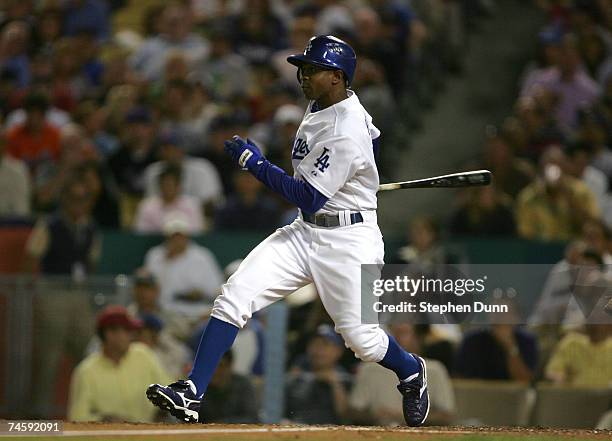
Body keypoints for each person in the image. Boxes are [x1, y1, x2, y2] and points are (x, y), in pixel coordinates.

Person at [147, 35, 429, 427]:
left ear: (336, 76)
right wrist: (359, 177)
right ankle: (192, 391)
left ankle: (411, 370)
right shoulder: (326, 104)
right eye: (303, 68)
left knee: (362, 341)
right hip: (305, 233)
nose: (303, 74)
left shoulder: (346, 129)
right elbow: (375, 138)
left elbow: (307, 196)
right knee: (234, 294)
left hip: (348, 242)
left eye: (312, 69)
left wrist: (255, 163)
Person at [68, 305, 171, 422]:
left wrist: (163, 409)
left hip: (148, 433)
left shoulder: (143, 355)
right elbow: (77, 416)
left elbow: (168, 389)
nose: (131, 336)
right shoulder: (86, 371)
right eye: (127, 331)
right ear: (109, 334)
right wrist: (104, 420)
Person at [350, 323, 455, 426]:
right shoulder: (370, 368)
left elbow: (446, 416)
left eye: (403, 332)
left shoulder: (434, 369)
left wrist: (407, 416)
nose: (396, 337)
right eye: (393, 332)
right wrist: (375, 415)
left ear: (419, 337)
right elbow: (353, 412)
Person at [285, 325, 353, 425]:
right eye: (315, 344)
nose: (319, 350)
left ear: (338, 351)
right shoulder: (295, 377)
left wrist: (335, 385)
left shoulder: (345, 379)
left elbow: (346, 416)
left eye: (325, 345)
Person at [198, 350, 258, 423]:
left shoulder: (242, 385)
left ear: (230, 366)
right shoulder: (198, 387)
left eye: (220, 366)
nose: (215, 371)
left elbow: (252, 417)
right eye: (210, 366)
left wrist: (223, 423)